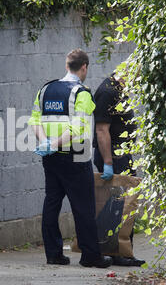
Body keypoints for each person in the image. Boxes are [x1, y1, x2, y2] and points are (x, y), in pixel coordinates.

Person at [28, 49, 113, 269]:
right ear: (84, 67)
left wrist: (46, 143)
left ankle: (54, 254)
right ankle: (91, 256)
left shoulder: (46, 89)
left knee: (51, 203)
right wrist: (55, 143)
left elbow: (34, 120)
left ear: (67, 66)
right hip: (75, 157)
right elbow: (77, 129)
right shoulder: (81, 93)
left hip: (50, 158)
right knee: (83, 207)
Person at [93, 69, 145, 267]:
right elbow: (101, 129)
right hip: (113, 156)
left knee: (123, 203)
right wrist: (107, 163)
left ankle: (122, 251)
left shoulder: (119, 89)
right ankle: (117, 253)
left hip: (121, 154)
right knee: (118, 205)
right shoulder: (107, 91)